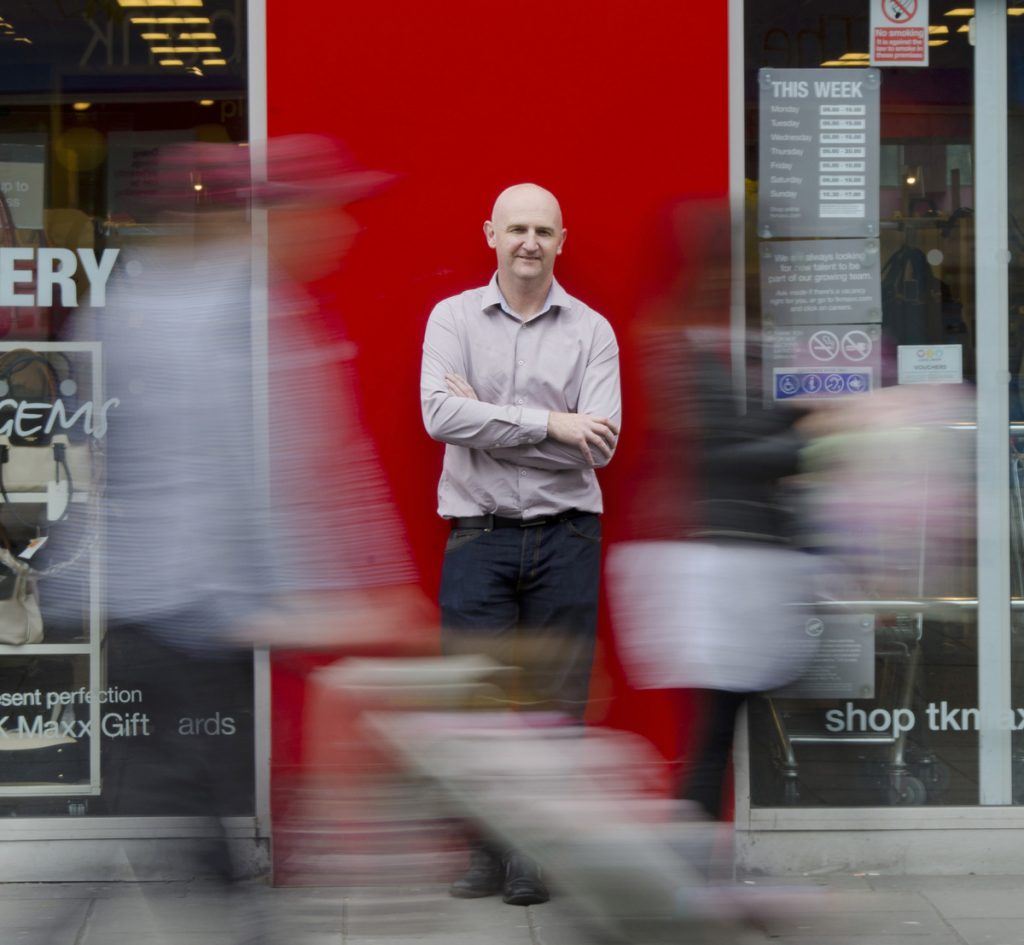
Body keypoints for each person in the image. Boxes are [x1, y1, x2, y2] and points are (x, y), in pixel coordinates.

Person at [419, 182, 621, 905]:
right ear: (490, 235)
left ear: (563, 239)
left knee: (555, 705)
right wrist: (551, 425)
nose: (529, 241)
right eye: (516, 229)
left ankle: (533, 855)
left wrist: (492, 421)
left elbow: (599, 442)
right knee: (472, 706)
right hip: (478, 539)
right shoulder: (451, 319)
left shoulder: (593, 331)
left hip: (567, 536)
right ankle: (485, 851)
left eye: (542, 229)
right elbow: (439, 416)